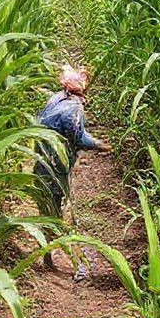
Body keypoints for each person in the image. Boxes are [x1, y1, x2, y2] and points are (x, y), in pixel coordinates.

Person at [34, 63, 110, 273]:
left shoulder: (56, 99)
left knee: (46, 205)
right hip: (55, 165)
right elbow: (78, 137)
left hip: (41, 158)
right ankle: (54, 256)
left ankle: (48, 252)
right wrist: (100, 145)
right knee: (55, 209)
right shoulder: (73, 108)